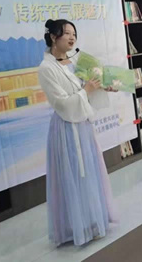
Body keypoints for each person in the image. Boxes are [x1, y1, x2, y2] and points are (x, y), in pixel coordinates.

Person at [38, 19, 116, 246]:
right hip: (66, 127)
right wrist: (87, 90)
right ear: (53, 37)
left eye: (74, 34)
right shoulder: (46, 68)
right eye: (67, 34)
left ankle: (94, 221)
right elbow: (62, 103)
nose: (72, 38)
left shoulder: (74, 62)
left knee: (89, 172)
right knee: (73, 176)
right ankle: (76, 227)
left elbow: (85, 89)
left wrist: (102, 85)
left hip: (82, 125)